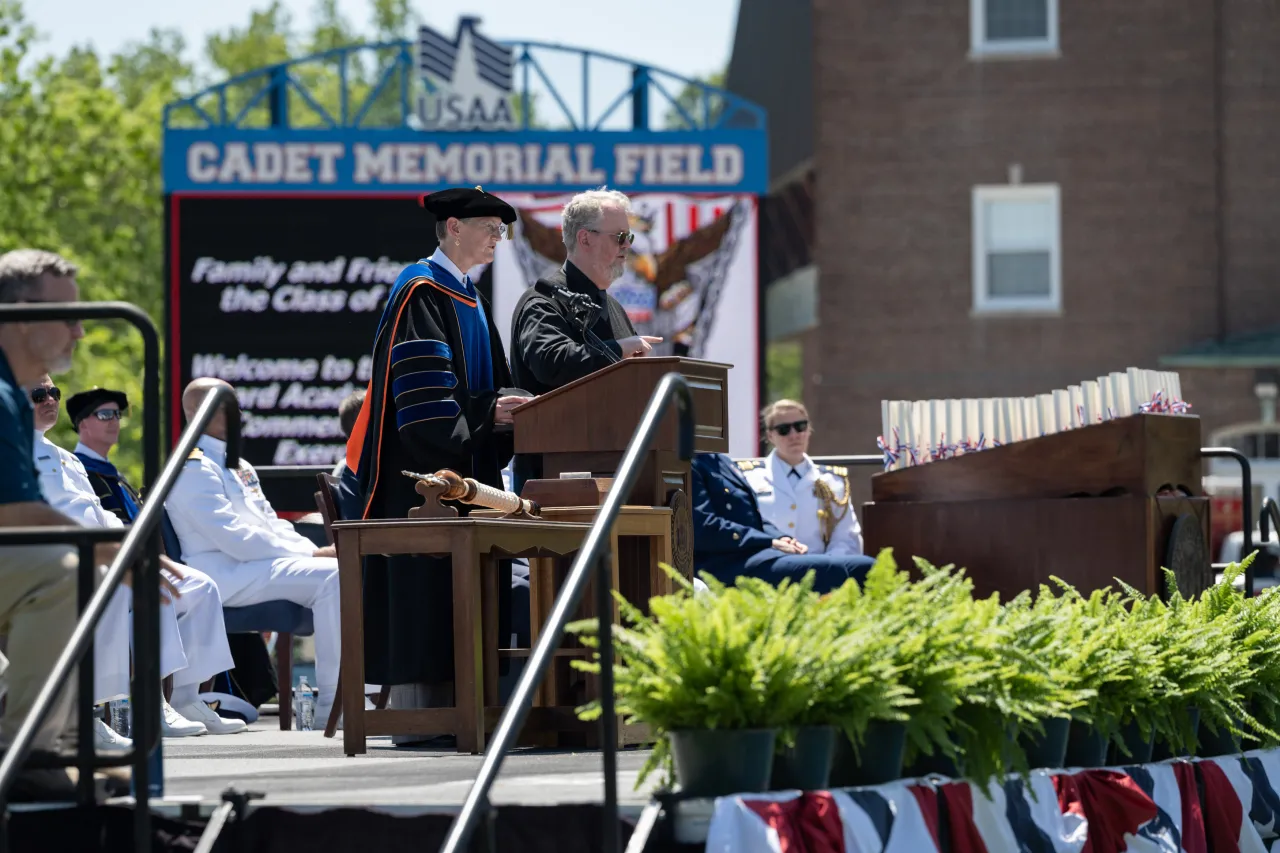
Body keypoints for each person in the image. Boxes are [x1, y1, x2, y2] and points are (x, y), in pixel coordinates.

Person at [344, 186, 531, 739]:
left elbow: (483, 390)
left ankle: (471, 710)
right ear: (453, 227)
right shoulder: (420, 291)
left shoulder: (467, 297)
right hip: (421, 486)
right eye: (490, 228)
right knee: (429, 600)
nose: (499, 238)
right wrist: (487, 412)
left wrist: (498, 412)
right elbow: (425, 411)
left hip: (464, 478)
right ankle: (424, 719)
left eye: (503, 230)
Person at [35, 380, 244, 737]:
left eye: (54, 393)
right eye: (38, 395)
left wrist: (135, 546)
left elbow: (103, 514)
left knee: (198, 586)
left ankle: (185, 697)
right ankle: (116, 711)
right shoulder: (13, 453)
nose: (50, 400)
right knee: (141, 587)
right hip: (61, 559)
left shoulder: (65, 457)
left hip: (105, 552)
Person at [0, 248, 131, 799]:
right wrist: (107, 546)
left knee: (77, 571)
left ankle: (59, 735)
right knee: (65, 572)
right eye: (67, 316)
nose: (80, 331)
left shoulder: (9, 394)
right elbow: (11, 514)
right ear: (21, 317)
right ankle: (25, 753)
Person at [165, 377, 343, 726]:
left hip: (255, 567)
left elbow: (269, 523)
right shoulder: (191, 466)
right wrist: (308, 557)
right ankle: (333, 706)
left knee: (343, 570)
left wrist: (309, 549)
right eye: (229, 406)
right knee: (334, 578)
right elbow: (233, 538)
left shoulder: (237, 464)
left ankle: (351, 695)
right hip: (220, 574)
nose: (240, 414)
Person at [507, 187, 662, 492]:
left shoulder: (614, 307)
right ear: (585, 238)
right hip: (556, 484)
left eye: (628, 238)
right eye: (619, 237)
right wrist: (617, 350)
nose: (627, 246)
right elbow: (550, 362)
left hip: (617, 474)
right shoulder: (543, 300)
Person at [689, 451, 873, 594]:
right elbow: (704, 528)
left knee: (865, 567)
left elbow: (754, 518)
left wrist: (781, 537)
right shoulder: (691, 464)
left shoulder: (722, 461)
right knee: (846, 571)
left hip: (758, 556)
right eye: (784, 429)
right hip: (727, 566)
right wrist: (767, 541)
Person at [742, 399, 865, 556]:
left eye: (800, 427)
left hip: (820, 570)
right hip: (768, 568)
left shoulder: (833, 482)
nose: (794, 435)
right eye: (784, 429)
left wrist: (826, 567)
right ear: (770, 435)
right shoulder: (749, 479)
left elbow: (847, 538)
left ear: (808, 430)